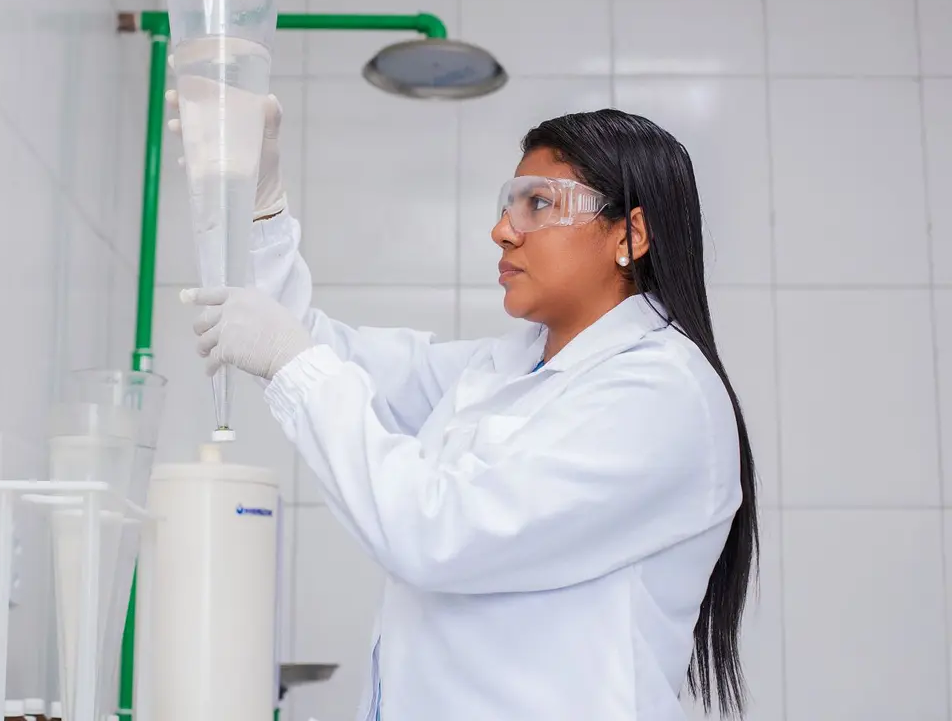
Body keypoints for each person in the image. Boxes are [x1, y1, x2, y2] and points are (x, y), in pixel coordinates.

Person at [171, 93, 758, 720]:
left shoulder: (661, 395)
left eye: (538, 203)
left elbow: (434, 533)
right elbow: (313, 348)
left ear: (630, 234)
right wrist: (262, 209)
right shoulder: (504, 369)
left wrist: (291, 362)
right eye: (509, 204)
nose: (502, 230)